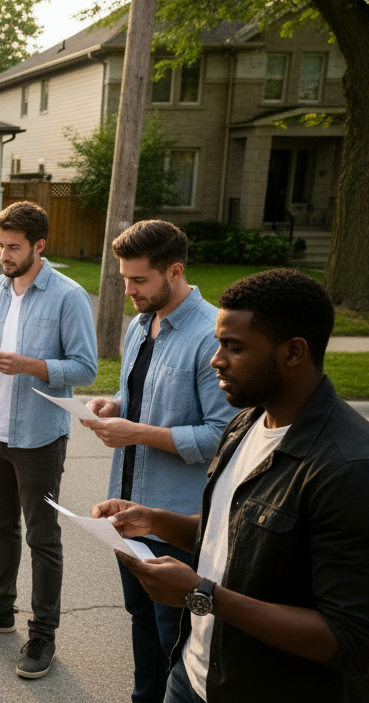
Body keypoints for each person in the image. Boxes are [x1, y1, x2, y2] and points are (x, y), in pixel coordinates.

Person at [94, 269, 369, 703]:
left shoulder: (352, 469)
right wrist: (156, 521)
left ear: (293, 352)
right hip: (194, 677)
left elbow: (354, 640)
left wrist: (200, 595)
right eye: (218, 343)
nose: (216, 359)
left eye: (234, 347)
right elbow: (237, 537)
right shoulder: (248, 421)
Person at [80, 220, 238, 703]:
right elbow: (140, 395)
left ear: (175, 271)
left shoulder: (211, 335)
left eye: (138, 280)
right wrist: (113, 406)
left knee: (178, 638)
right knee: (140, 621)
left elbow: (222, 436)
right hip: (127, 513)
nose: (128, 290)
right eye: (123, 279)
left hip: (179, 521)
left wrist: (136, 432)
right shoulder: (138, 322)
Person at [0, 201, 97, 680]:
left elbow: (86, 368)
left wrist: (29, 364)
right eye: (0, 245)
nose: (4, 255)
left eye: (13, 247)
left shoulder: (69, 296)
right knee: (0, 525)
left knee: (43, 538)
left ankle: (43, 634)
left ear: (39, 246)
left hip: (39, 437)